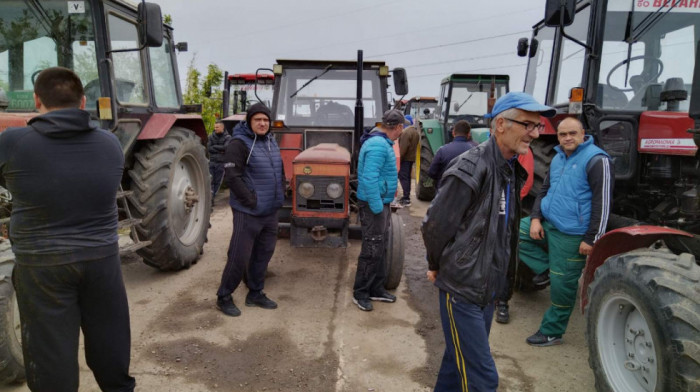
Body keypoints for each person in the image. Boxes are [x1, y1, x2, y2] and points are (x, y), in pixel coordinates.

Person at [0, 67, 135, 391]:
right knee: (111, 347)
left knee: (51, 363)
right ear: (83, 101)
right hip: (101, 260)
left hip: (41, 266)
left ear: (36, 100)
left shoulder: (13, 142)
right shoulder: (110, 144)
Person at [422, 92, 555, 391]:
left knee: (457, 365)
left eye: (538, 127)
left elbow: (501, 231)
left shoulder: (509, 170)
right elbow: (435, 225)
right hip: (462, 289)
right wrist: (435, 265)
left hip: (486, 289)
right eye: (528, 125)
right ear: (500, 124)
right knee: (483, 379)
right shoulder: (470, 168)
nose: (535, 133)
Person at [520, 117, 613, 346]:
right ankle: (549, 268)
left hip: (572, 234)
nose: (567, 138)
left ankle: (552, 331)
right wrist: (534, 219)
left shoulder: (596, 160)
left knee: (563, 286)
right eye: (562, 135)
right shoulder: (558, 157)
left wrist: (592, 239)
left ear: (583, 134)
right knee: (512, 234)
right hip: (548, 223)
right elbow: (544, 190)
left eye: (572, 133)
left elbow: (603, 203)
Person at [216, 103, 285, 317]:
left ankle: (255, 293)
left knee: (263, 255)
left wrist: (280, 192)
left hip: (270, 211)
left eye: (265, 120)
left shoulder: (271, 142)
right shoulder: (239, 143)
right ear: (249, 121)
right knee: (239, 255)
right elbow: (232, 177)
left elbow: (279, 171)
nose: (263, 123)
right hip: (249, 212)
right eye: (258, 120)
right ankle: (224, 296)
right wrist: (251, 201)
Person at [352, 109, 404, 311]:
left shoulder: (383, 143)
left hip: (381, 202)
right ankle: (361, 292)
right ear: (398, 127)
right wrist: (376, 207)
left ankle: (376, 288)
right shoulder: (378, 146)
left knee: (381, 246)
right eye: (402, 128)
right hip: (374, 204)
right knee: (372, 249)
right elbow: (369, 178)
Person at [493, 148, 535, 324]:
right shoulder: (484, 151)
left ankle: (502, 301)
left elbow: (525, 183)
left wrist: (508, 201)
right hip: (488, 214)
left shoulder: (523, 152)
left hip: (508, 213)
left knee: (506, 256)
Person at [427, 120, 477, 189]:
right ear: (468, 134)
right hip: (466, 194)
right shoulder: (475, 151)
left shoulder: (442, 150)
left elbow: (431, 172)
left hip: (444, 192)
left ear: (453, 133)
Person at [397, 114, 419, 207]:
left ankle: (406, 198)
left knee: (403, 177)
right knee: (407, 178)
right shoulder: (415, 132)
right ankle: (407, 196)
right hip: (411, 159)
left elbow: (403, 148)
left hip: (405, 159)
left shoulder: (406, 132)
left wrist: (398, 160)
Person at [208, 119, 231, 203]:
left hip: (221, 163)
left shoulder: (228, 137)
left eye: (217, 127)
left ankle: (212, 198)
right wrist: (220, 149)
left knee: (217, 182)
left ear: (222, 128)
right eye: (214, 127)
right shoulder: (211, 136)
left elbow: (226, 148)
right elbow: (209, 148)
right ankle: (210, 198)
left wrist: (214, 147)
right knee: (210, 181)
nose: (215, 129)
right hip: (212, 162)